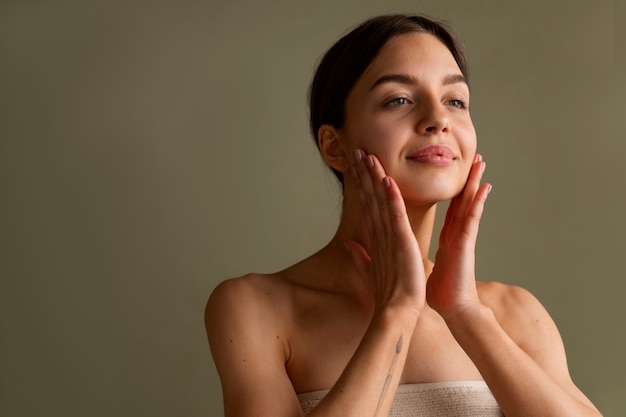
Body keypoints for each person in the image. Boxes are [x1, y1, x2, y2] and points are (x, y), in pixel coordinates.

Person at [205, 14, 602, 417]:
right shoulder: (256, 308)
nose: (438, 120)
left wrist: (464, 313)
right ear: (334, 146)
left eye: (455, 101)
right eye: (399, 100)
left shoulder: (513, 313)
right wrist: (396, 312)